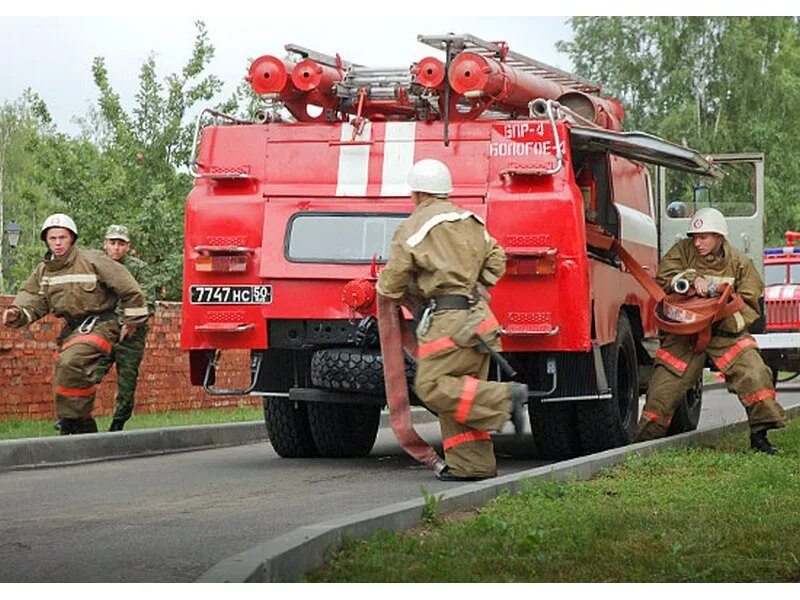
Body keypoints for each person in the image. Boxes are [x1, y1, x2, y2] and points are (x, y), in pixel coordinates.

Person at [376, 159, 528, 482]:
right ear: (445, 192)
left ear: (417, 193)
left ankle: (505, 398)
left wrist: (387, 288)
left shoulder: (413, 228)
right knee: (463, 394)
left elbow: (392, 282)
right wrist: (474, 285)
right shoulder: (470, 221)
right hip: (479, 320)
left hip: (448, 324)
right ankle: (472, 465)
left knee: (432, 386)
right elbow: (498, 259)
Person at [633, 207, 786, 453]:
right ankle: (643, 447)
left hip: (726, 334)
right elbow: (664, 277)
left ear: (718, 237)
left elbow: (750, 303)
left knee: (756, 375)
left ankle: (760, 436)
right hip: (685, 336)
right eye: (694, 236)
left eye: (704, 237)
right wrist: (692, 279)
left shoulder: (740, 263)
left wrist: (720, 309)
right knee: (661, 392)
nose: (698, 242)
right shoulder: (682, 252)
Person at [1, 214, 148, 435]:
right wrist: (16, 312)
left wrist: (132, 321)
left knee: (72, 361)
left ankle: (71, 419)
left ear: (72, 239)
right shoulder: (44, 270)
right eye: (53, 238)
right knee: (67, 370)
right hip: (73, 329)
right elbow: (33, 298)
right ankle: (81, 422)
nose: (58, 243)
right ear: (46, 240)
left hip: (101, 324)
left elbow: (130, 288)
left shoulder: (93, 260)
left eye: (62, 237)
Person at [102, 225, 157, 431]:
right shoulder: (97, 266)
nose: (116, 248)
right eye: (113, 243)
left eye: (121, 244)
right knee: (86, 372)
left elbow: (148, 301)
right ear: (105, 244)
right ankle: (73, 417)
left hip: (131, 337)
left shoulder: (138, 269)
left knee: (126, 383)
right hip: (104, 330)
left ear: (128, 247)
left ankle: (117, 425)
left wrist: (132, 323)